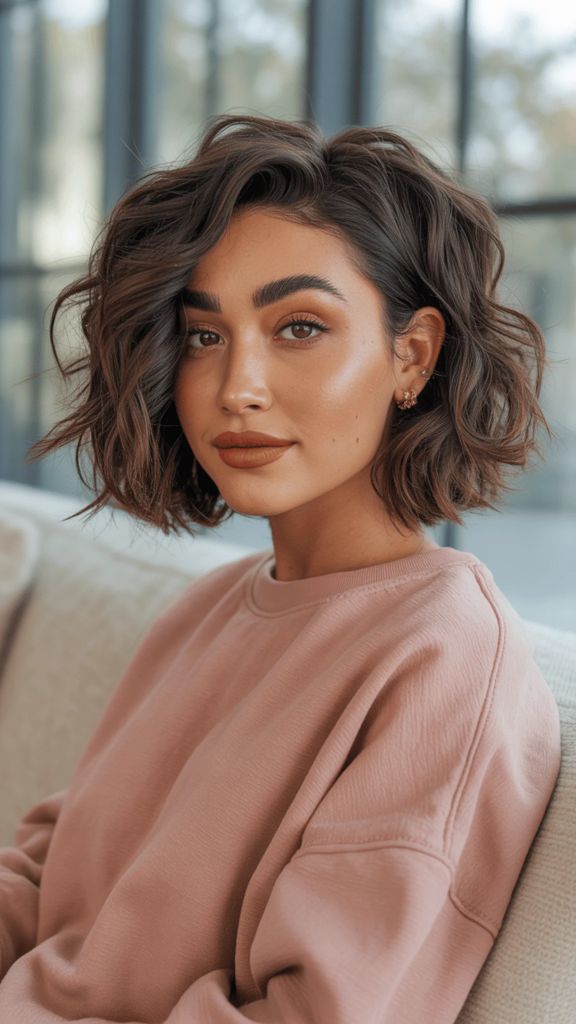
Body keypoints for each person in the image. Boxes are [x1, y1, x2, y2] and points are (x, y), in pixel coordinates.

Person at [0, 113, 561, 1021]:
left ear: (412, 355)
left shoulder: (443, 661)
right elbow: (49, 873)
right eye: (204, 336)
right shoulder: (210, 606)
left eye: (299, 327)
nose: (237, 389)